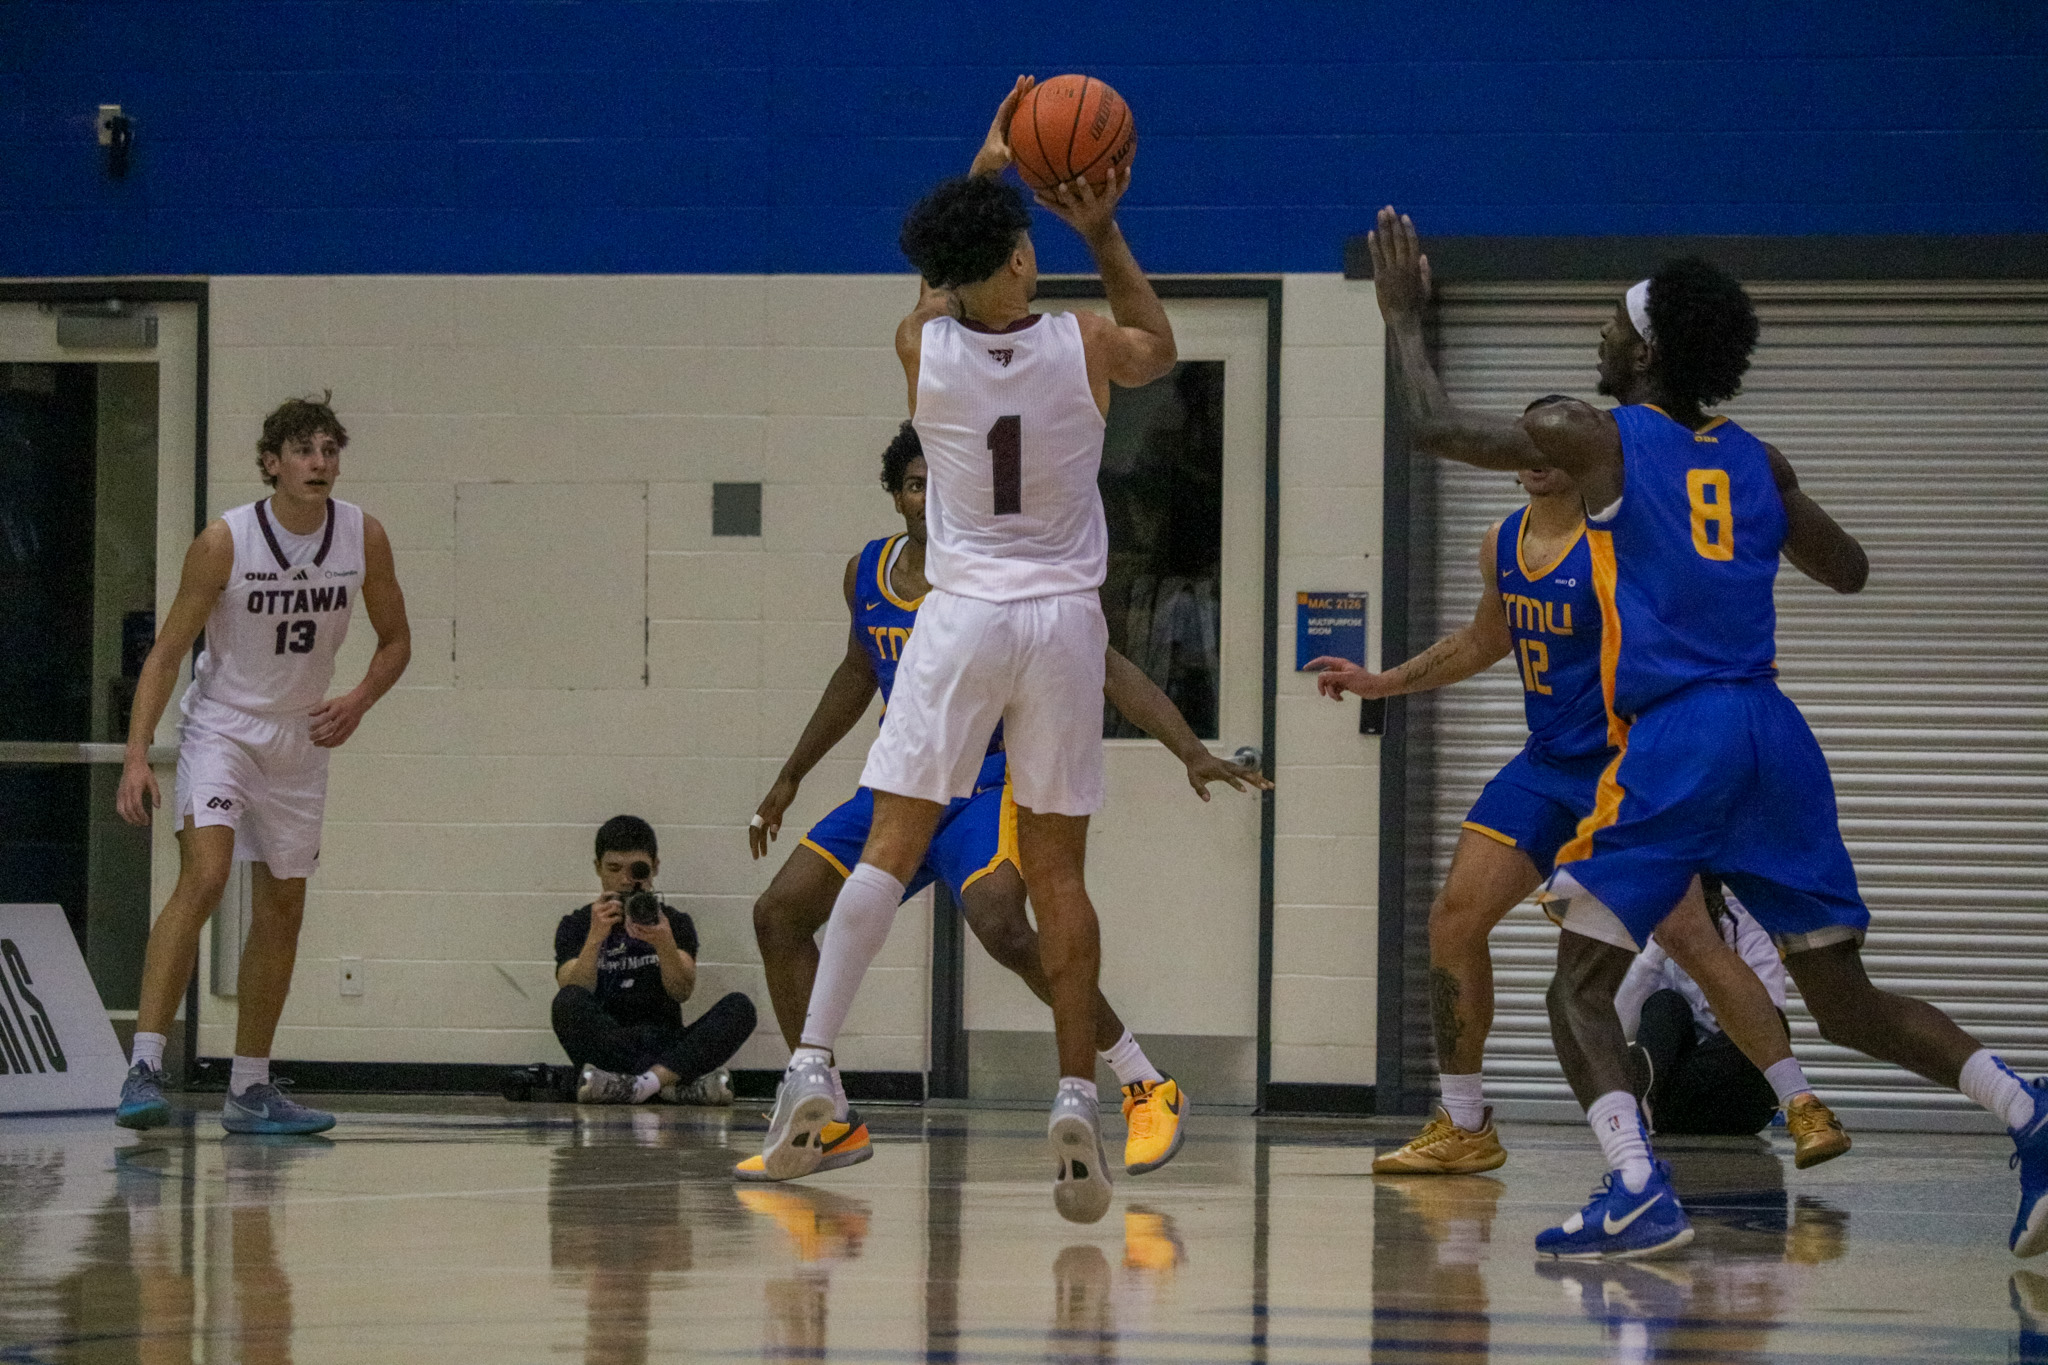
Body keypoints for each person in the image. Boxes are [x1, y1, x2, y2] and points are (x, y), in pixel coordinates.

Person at [1366, 204, 2048, 1259]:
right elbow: (1849, 567)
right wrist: (1746, 513)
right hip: (1773, 734)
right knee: (1844, 999)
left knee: (1581, 984)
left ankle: (1635, 1186)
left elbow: (1428, 425)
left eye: (1608, 325)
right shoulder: (1753, 458)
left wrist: (1404, 318)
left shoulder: (1591, 435)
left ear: (1643, 348)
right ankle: (2027, 1113)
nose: (1596, 339)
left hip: (1679, 731)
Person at [755, 76, 1180, 1225]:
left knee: (888, 846)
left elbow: (937, 282)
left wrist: (984, 169)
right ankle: (1080, 1091)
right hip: (1058, 622)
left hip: (958, 616)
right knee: (1055, 874)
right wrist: (1101, 226)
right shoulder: (1083, 341)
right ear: (1021, 262)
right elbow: (1160, 342)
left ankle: (811, 1068)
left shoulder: (922, 351)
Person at [1311, 418, 1848, 1175]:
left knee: (1691, 936)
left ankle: (1800, 1099)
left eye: (1550, 447)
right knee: (1454, 918)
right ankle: (1464, 1122)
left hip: (1630, 766)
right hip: (1548, 764)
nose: (1535, 459)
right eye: (1524, 448)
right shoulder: (1502, 542)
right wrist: (1383, 682)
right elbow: (1481, 639)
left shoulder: (1620, 541)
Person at [741, 423, 1266, 1182]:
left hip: (988, 783)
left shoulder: (994, 577)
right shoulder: (867, 571)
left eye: (942, 484)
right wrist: (790, 774)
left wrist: (1188, 748)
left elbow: (1105, 663)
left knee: (1003, 927)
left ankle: (1143, 1079)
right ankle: (830, 1120)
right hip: (906, 786)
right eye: (916, 484)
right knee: (779, 912)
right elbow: (857, 672)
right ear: (896, 496)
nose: (929, 498)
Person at [113, 393, 411, 1136]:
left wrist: (360, 699)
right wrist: (136, 755)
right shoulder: (225, 542)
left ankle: (250, 1086)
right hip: (223, 726)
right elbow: (167, 652)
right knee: (207, 876)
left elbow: (397, 638)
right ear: (272, 463)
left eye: (330, 451)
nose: (320, 463)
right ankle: (145, 1061)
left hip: (302, 736)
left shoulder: (362, 535)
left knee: (284, 904)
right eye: (305, 451)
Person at [554, 815, 757, 1105]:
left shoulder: (674, 922)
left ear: (654, 868)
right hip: (609, 1043)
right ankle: (668, 1086)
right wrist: (595, 937)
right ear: (598, 868)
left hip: (664, 1041)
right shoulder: (576, 924)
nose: (625, 880)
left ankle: (634, 1086)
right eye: (614, 869)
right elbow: (573, 989)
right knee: (566, 1003)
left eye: (637, 870)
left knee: (740, 1008)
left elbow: (681, 991)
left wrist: (664, 943)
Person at [1618, 876, 1784, 1138]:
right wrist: (1655, 952)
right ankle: (1648, 1106)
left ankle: (1645, 1107)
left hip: (1738, 1100)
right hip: (1673, 1106)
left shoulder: (1748, 931)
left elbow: (1768, 1023)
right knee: (1666, 1004)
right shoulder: (1656, 939)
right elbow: (1622, 1026)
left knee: (1770, 1020)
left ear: (1718, 905)